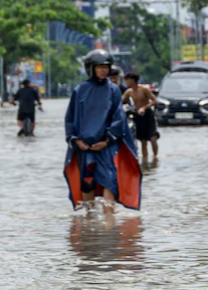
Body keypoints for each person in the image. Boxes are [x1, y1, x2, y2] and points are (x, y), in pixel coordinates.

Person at [63, 49, 142, 214]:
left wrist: (107, 140)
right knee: (87, 183)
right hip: (84, 146)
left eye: (106, 67)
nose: (103, 70)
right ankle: (89, 225)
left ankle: (108, 223)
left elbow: (119, 118)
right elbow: (70, 118)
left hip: (106, 146)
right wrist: (76, 140)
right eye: (99, 67)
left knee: (110, 181)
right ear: (90, 68)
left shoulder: (113, 90)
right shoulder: (80, 91)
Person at [122, 71, 160, 159]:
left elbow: (154, 101)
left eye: (127, 80)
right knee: (143, 141)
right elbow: (121, 100)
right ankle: (145, 160)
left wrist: (144, 107)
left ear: (132, 80)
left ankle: (155, 157)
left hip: (147, 115)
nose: (126, 83)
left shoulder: (144, 89)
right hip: (137, 115)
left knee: (152, 138)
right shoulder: (129, 92)